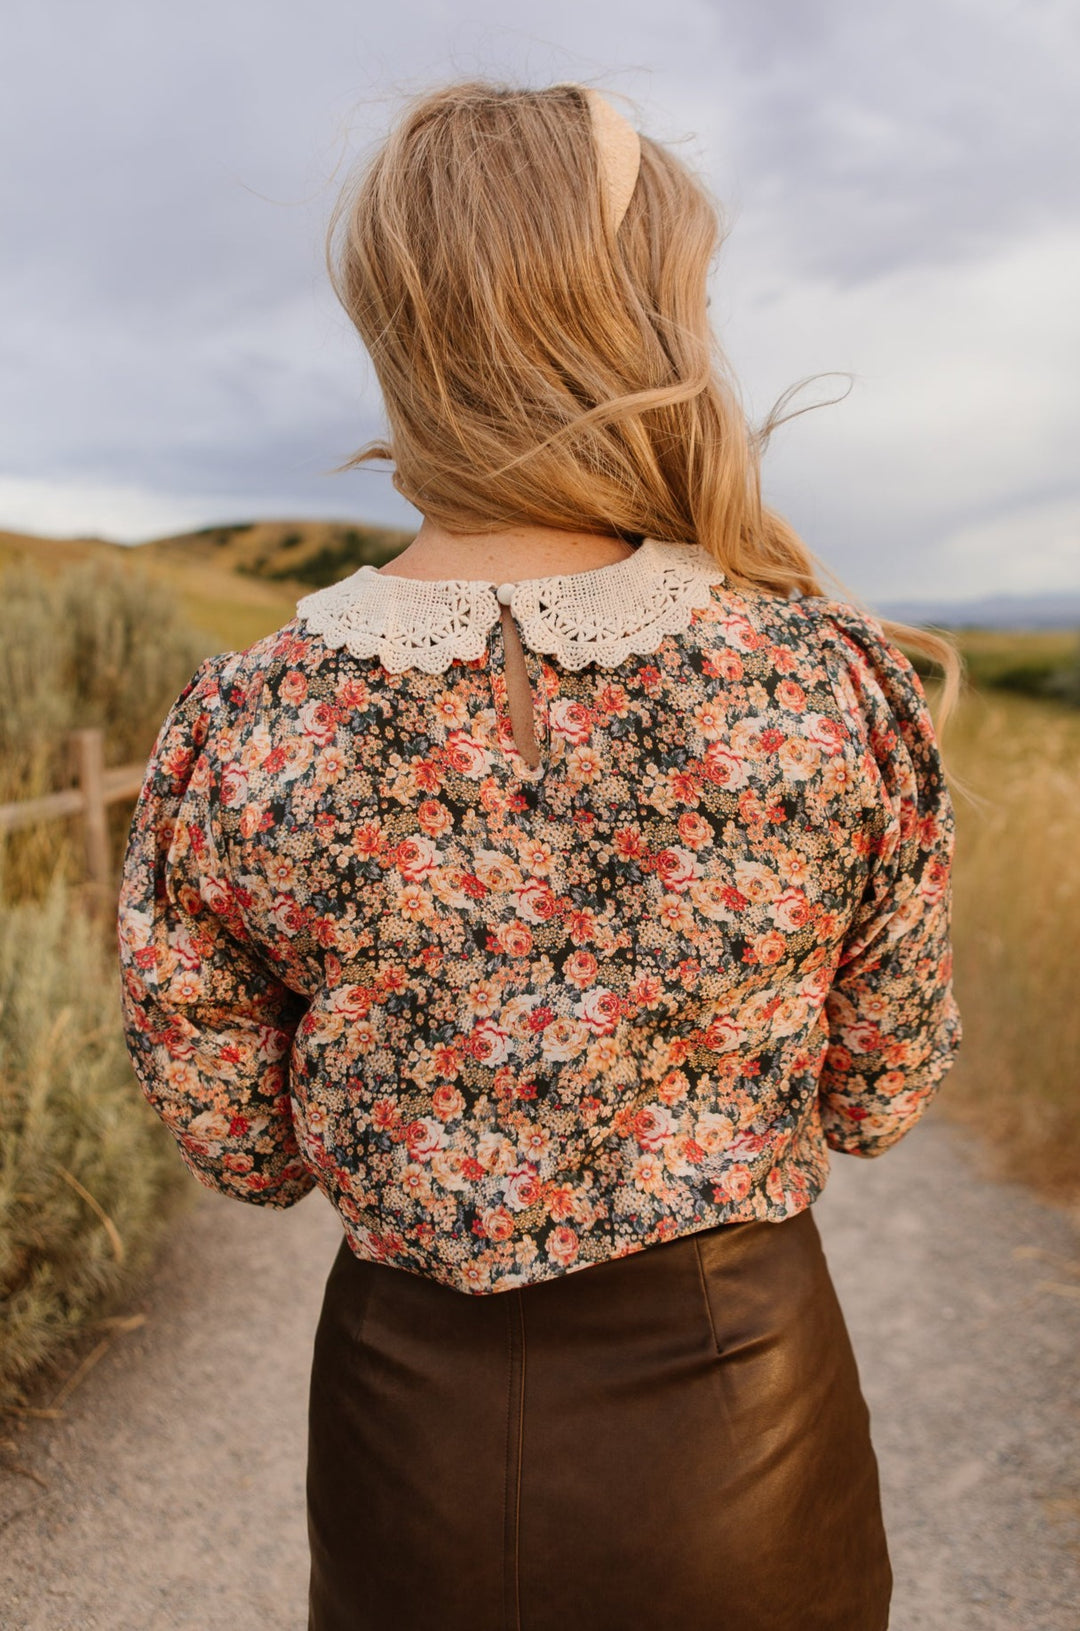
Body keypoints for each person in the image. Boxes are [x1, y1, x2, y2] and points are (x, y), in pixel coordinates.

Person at [116, 80, 963, 1631]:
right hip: (742, 1449)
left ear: (401, 329)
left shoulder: (247, 721)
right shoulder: (825, 682)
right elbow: (883, 1092)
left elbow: (242, 1149)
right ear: (644, 323)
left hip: (408, 1451)